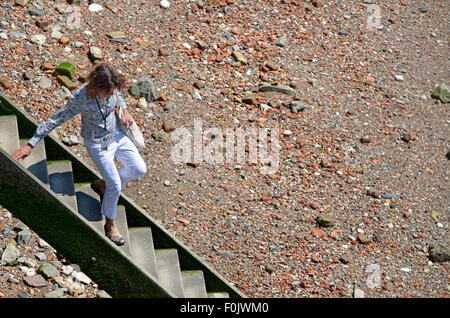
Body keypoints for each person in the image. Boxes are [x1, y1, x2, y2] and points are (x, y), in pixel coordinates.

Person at [11, 63, 147, 246]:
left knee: (139, 168)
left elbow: (118, 95)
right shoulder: (81, 98)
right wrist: (31, 144)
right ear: (97, 87)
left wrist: (124, 110)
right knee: (115, 185)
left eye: (111, 91)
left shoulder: (111, 87)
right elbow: (57, 118)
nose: (110, 94)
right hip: (98, 145)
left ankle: (102, 186)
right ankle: (110, 225)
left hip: (118, 135)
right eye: (107, 92)